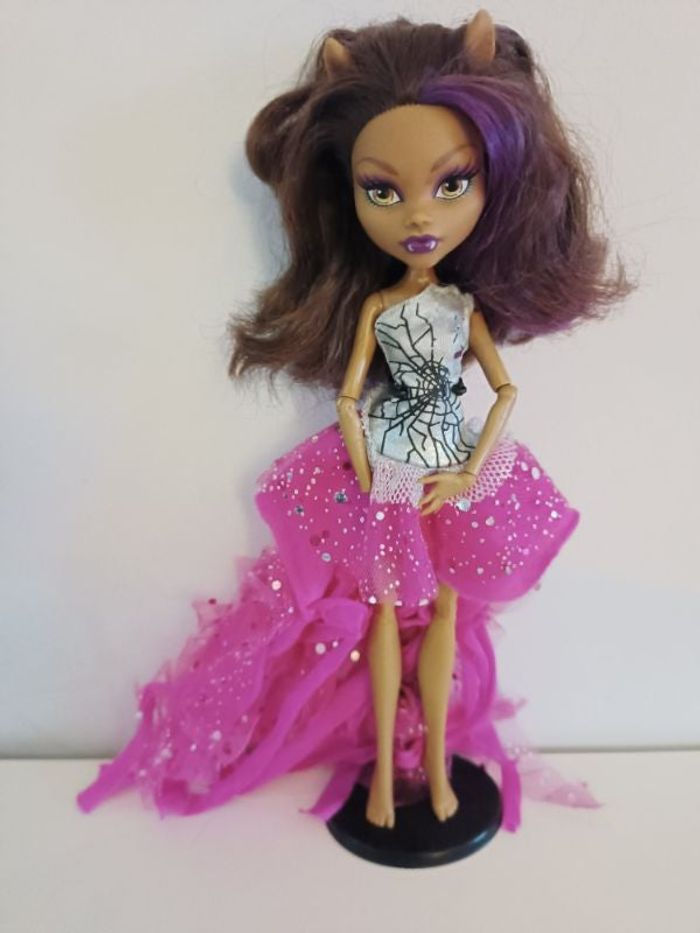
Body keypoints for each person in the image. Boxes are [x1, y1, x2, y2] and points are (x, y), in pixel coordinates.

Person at [76, 10, 630, 832]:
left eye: (452, 184)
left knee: (446, 613)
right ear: (350, 192)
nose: (419, 216)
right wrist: (367, 464)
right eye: (383, 190)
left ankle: (437, 765)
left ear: (498, 179)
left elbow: (504, 390)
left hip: (451, 459)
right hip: (391, 458)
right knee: (382, 615)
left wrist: (471, 469)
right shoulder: (377, 306)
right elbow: (348, 395)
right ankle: (380, 777)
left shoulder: (463, 308)